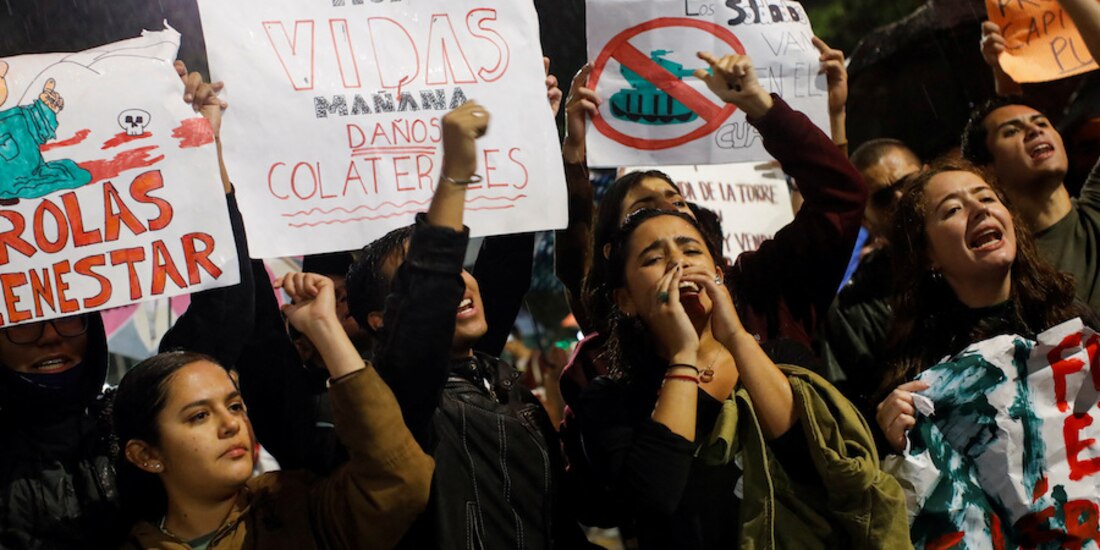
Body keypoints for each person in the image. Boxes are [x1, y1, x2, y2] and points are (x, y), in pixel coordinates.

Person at [0, 61, 254, 549]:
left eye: (68, 317)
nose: (51, 336)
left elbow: (224, 315)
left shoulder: (136, 420)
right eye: (26, 324)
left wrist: (203, 153)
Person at [563, 204, 909, 548]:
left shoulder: (779, 358)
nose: (677, 263)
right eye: (653, 259)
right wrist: (684, 356)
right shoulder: (612, 400)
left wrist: (736, 338)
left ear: (718, 275)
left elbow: (815, 462)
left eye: (691, 250)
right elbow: (654, 499)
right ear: (625, 300)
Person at [556, 44, 864, 416]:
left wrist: (761, 108)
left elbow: (840, 198)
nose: (668, 217)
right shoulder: (603, 368)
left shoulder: (761, 290)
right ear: (622, 287)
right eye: (644, 211)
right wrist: (573, 156)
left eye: (678, 203)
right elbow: (578, 264)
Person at [345, 102, 592, 549]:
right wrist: (455, 173)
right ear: (380, 321)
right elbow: (424, 308)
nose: (456, 281)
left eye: (459, 266)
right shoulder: (401, 397)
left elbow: (509, 254)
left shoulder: (503, 383)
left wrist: (526, 127)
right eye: (433, 278)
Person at [113, 272, 433, 549]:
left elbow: (399, 479)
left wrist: (324, 328)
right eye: (199, 416)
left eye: (235, 406)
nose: (231, 424)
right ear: (145, 454)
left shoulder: (302, 508)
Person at [874, 161, 1097, 454]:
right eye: (953, 209)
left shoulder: (1071, 319)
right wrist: (893, 440)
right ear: (927, 255)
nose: (980, 209)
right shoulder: (922, 378)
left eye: (987, 197)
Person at [969, 0, 1100, 316]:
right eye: (1012, 132)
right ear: (987, 172)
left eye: (1042, 123)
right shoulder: (1001, 269)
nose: (1034, 131)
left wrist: (1006, 66)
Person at [816, 139, 921, 407]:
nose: (901, 199)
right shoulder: (851, 312)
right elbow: (851, 412)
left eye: (910, 183)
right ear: (865, 219)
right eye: (884, 197)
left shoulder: (990, 249)